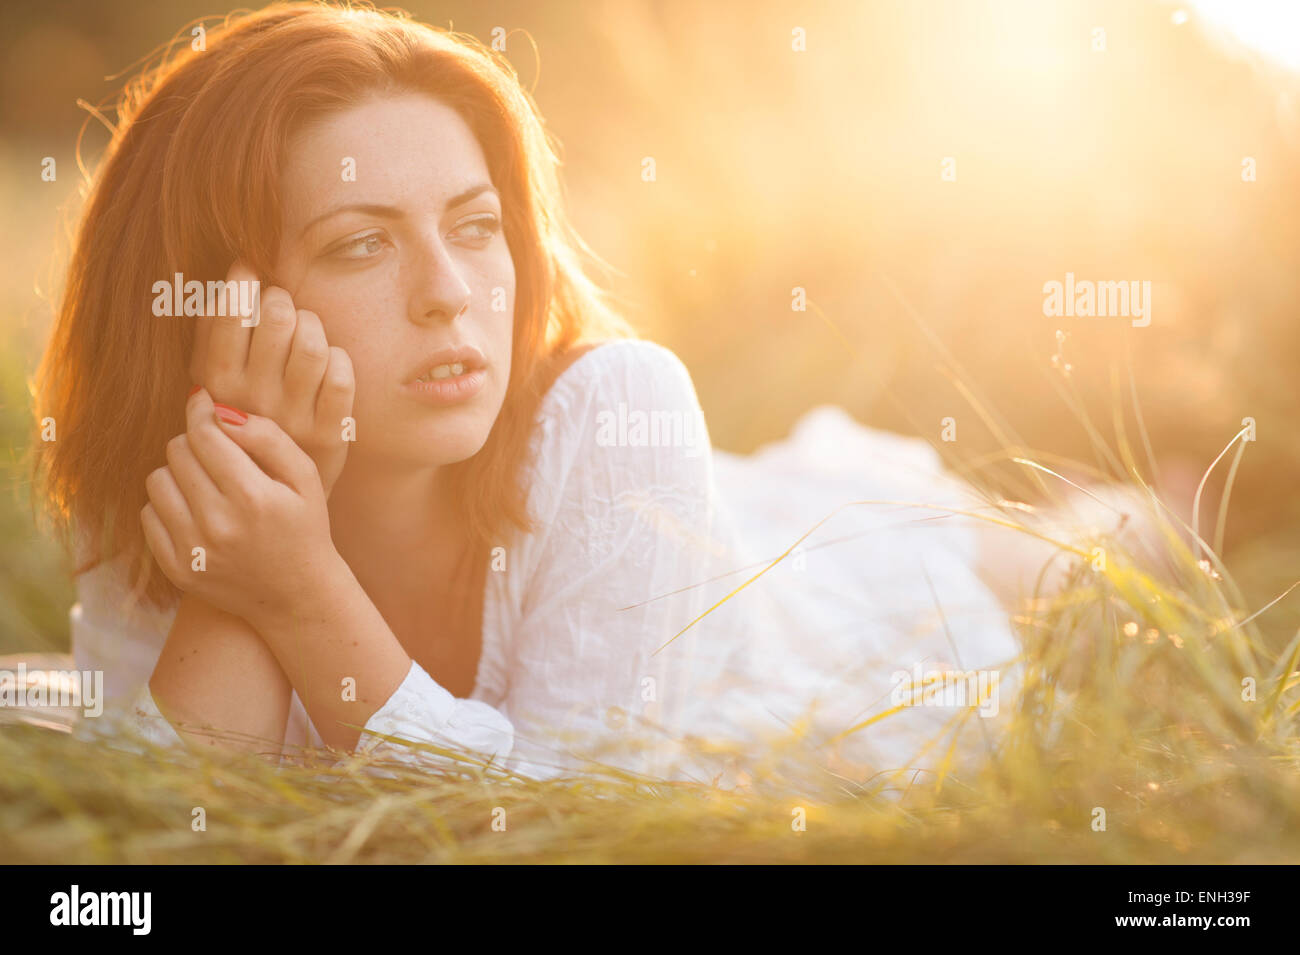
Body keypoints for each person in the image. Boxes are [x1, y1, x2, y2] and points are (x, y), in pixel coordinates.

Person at [35, 3, 1068, 791]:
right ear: (214, 307)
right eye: (362, 244)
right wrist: (241, 548)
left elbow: (567, 819)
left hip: (833, 603)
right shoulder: (176, 474)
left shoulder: (622, 406)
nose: (449, 294)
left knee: (1090, 556)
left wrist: (296, 592)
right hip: (695, 526)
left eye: (476, 227)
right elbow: (160, 837)